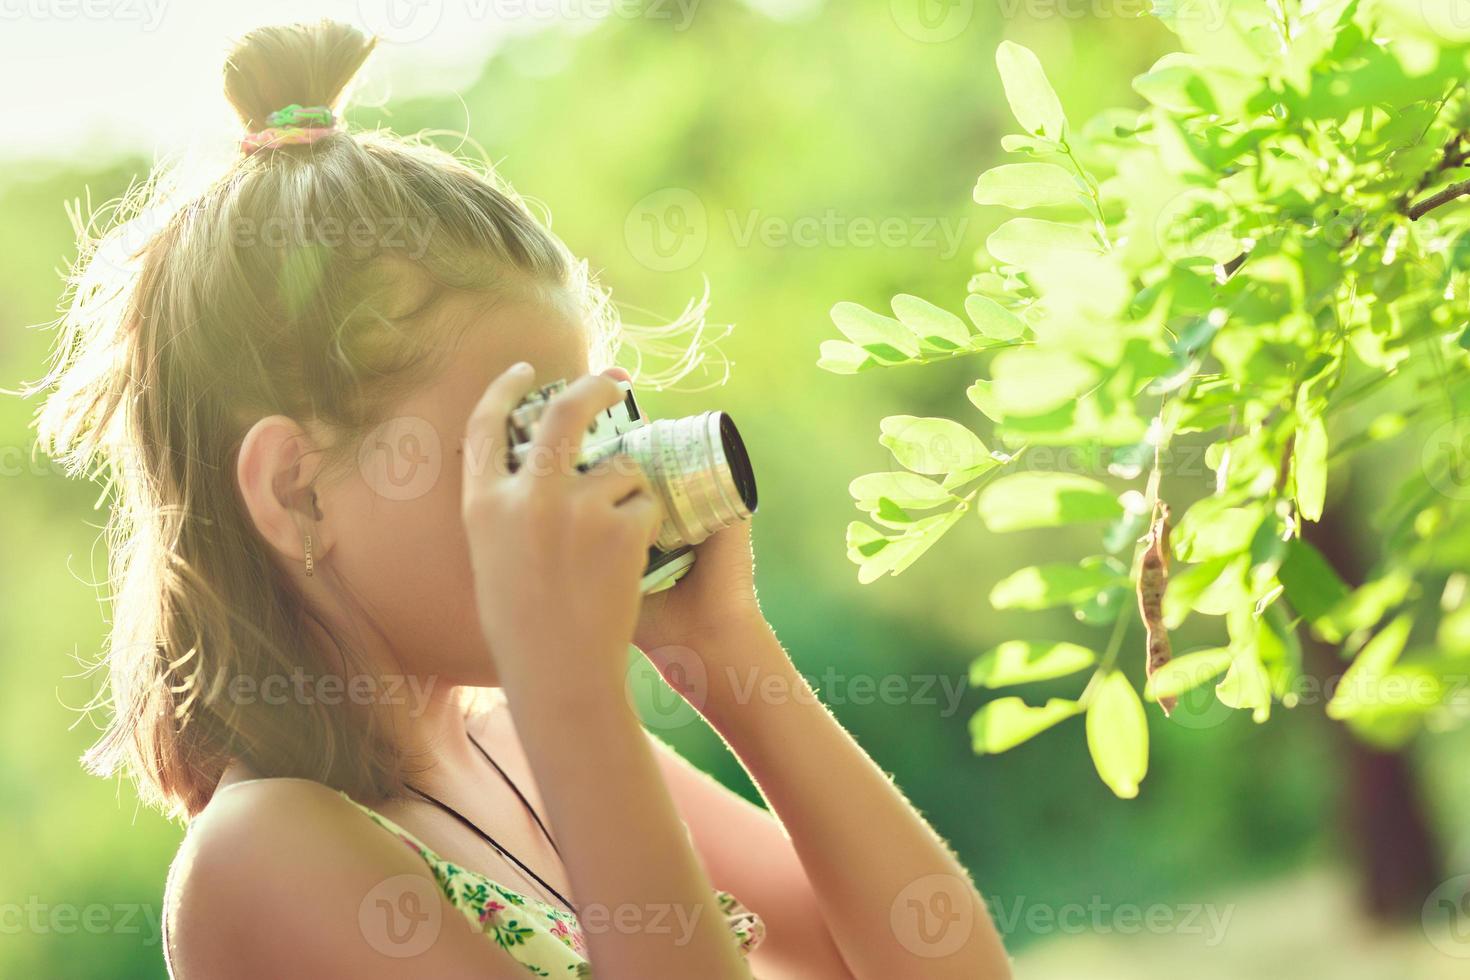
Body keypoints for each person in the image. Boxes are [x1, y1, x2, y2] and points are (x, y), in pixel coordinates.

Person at [33, 19, 1010, 979]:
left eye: (575, 429)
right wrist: (570, 694)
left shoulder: (516, 745)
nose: (571, 476)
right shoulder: (266, 856)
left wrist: (723, 652)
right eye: (520, 442)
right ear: (298, 493)